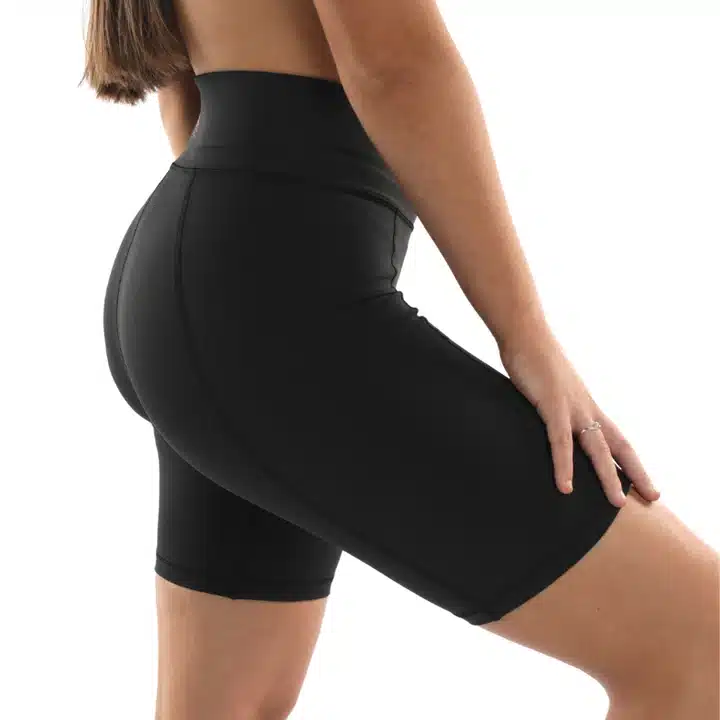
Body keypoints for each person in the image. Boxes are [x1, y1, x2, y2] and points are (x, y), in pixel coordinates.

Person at [82, 1, 718, 718]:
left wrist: (214, 302)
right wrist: (528, 339)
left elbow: (185, 87)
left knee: (227, 707)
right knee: (702, 646)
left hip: (204, 274)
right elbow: (396, 67)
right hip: (270, 306)